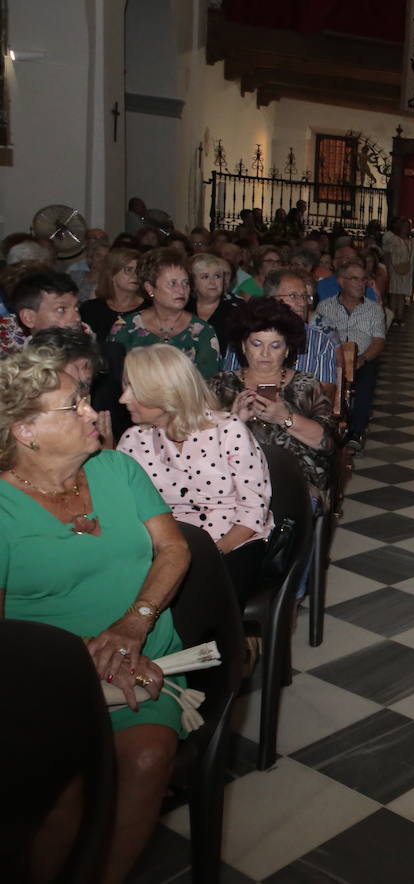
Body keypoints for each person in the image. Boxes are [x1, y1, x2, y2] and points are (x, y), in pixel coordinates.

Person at [0, 344, 190, 884]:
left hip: (144, 659)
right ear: (25, 430)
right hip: (42, 678)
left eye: (85, 398)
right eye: (74, 406)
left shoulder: (117, 468)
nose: (93, 412)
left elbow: (174, 549)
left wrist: (135, 624)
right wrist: (79, 659)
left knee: (146, 756)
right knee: (61, 788)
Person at [116, 345, 273, 599]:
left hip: (234, 543)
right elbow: (128, 516)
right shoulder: (133, 442)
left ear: (165, 392)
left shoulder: (228, 431)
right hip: (170, 548)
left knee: (199, 596)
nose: (123, 399)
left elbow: (253, 512)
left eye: (134, 389)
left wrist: (213, 554)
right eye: (125, 386)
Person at [209, 298, 337, 496]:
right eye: (256, 344)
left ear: (287, 350)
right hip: (231, 482)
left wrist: (284, 418)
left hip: (295, 482)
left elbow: (327, 443)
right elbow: (200, 446)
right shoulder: (220, 385)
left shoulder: (306, 385)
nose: (265, 354)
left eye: (275, 346)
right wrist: (233, 423)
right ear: (243, 346)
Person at [108, 248, 220, 379]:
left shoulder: (203, 331)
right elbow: (112, 381)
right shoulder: (125, 328)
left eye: (185, 283)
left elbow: (210, 384)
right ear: (150, 288)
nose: (181, 290)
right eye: (172, 283)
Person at [315, 258, 386, 445]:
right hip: (332, 359)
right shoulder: (325, 307)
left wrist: (362, 358)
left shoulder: (374, 310)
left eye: (363, 279)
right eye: (354, 279)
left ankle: (356, 432)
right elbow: (318, 337)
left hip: (362, 358)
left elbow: (378, 341)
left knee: (366, 380)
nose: (360, 284)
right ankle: (324, 426)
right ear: (341, 281)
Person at [0, 270, 84, 358]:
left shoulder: (84, 334)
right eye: (61, 309)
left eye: (76, 308)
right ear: (29, 318)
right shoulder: (13, 360)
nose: (77, 318)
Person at [80, 246, 148, 342]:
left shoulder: (150, 308)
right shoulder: (90, 309)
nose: (135, 276)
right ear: (112, 274)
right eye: (129, 270)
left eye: (138, 271)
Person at [187, 253, 241, 357]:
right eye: (205, 277)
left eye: (217, 276)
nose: (212, 282)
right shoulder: (182, 310)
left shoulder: (236, 314)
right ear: (193, 283)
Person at [382, 218, 414, 321]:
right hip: (394, 269)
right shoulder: (393, 240)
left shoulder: (411, 242)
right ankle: (392, 317)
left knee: (401, 295)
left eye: (407, 227)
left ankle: (399, 316)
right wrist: (386, 269)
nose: (405, 229)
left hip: (406, 270)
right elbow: (387, 254)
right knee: (394, 294)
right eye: (403, 226)